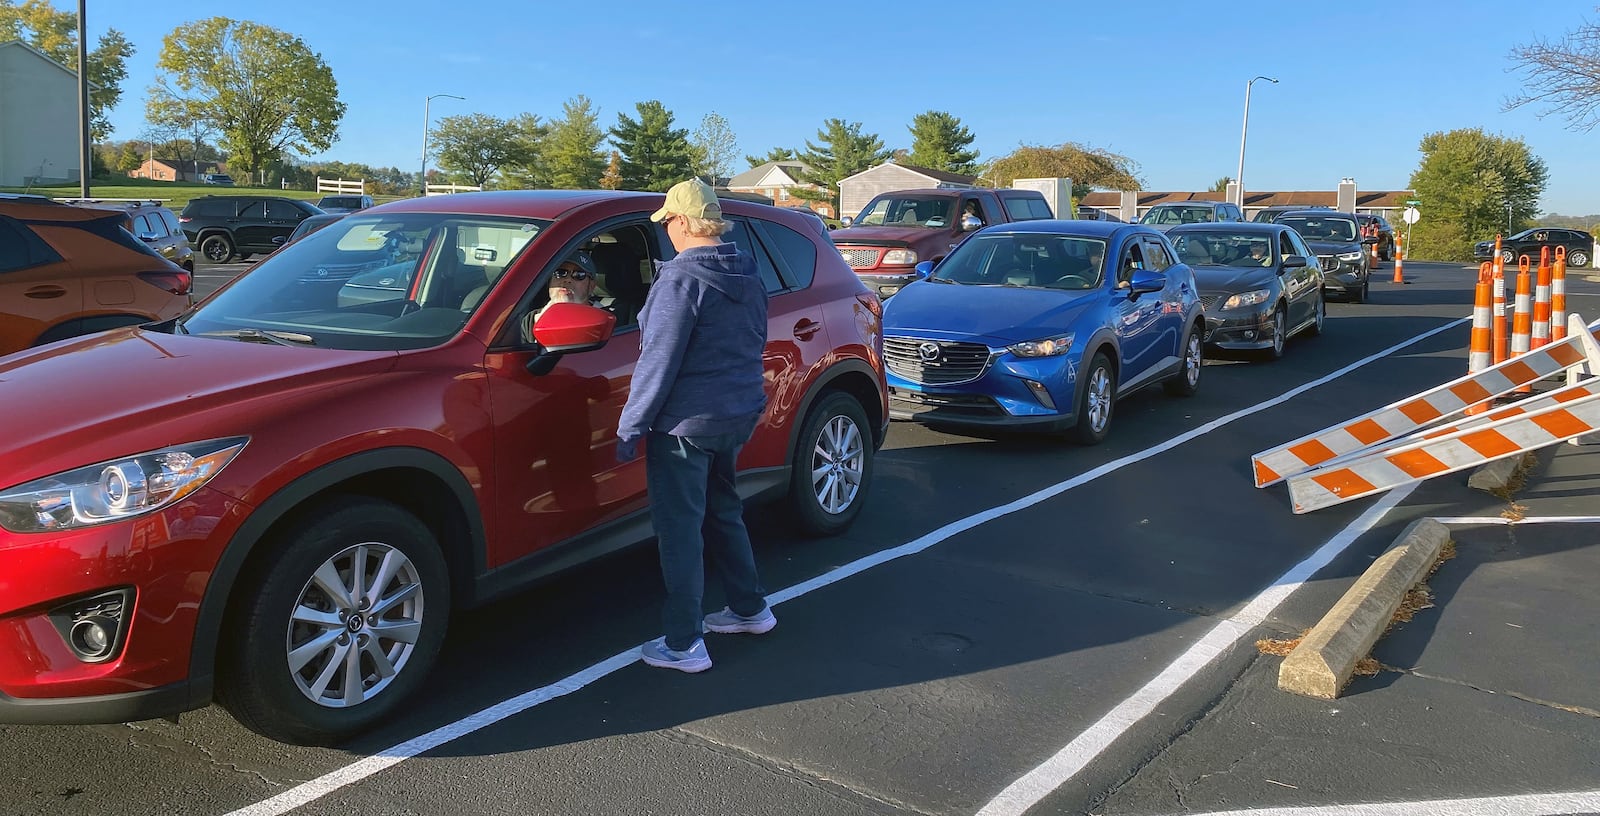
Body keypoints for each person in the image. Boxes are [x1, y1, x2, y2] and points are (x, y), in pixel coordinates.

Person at [617, 178, 775, 673]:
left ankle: (684, 643)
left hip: (685, 425)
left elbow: (657, 361)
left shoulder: (681, 281)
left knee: (679, 529)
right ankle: (750, 609)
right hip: (735, 414)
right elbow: (752, 342)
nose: (667, 232)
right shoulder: (748, 273)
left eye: (668, 222)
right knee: (724, 510)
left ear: (683, 221)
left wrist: (630, 427)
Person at [520, 250, 603, 341]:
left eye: (578, 275)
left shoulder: (605, 321)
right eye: (560, 272)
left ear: (591, 286)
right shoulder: (531, 320)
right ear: (550, 280)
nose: (567, 280)